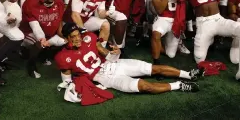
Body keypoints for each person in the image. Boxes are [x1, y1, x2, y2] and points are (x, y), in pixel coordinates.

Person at [55, 22, 204, 95]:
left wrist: (115, 52)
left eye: (78, 35)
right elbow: (67, 81)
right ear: (67, 38)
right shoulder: (63, 56)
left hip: (115, 64)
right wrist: (75, 86)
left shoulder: (89, 37)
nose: (78, 39)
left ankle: (189, 75)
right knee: (146, 86)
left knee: (153, 69)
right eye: (73, 37)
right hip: (105, 78)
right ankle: (179, 85)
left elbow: (107, 55)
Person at [20, 0, 66, 78]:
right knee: (39, 42)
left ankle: (44, 55)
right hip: (29, 32)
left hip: (48, 32)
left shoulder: (59, 2)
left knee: (63, 41)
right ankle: (31, 65)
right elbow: (34, 26)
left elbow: (60, 21)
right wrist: (42, 39)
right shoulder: (31, 3)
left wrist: (63, 35)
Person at [149, 0, 189, 71]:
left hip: (177, 20)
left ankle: (165, 44)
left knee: (170, 54)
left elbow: (192, 6)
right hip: (163, 18)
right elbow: (160, 9)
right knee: (156, 33)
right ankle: (156, 62)